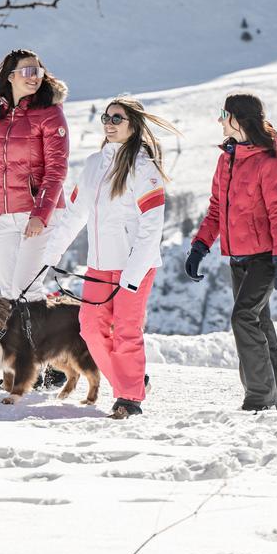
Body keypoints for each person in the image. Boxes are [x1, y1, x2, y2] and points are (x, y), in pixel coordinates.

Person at [43, 97, 174, 419]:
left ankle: (129, 398)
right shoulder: (93, 165)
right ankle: (132, 381)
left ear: (134, 126)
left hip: (135, 265)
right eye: (107, 117)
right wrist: (50, 253)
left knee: (126, 331)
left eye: (117, 118)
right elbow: (74, 214)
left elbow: (151, 226)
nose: (109, 123)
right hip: (100, 265)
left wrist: (133, 272)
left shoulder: (145, 168)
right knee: (89, 329)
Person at [184, 93, 277, 413]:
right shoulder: (227, 159)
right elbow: (217, 209)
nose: (219, 120)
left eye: (224, 113)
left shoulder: (269, 161)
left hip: (264, 258)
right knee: (260, 326)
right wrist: (200, 246)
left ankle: (259, 398)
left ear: (238, 118)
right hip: (238, 259)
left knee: (243, 318)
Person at [0, 49, 68, 298]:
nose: (35, 77)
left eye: (39, 72)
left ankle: (43, 337)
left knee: (27, 289)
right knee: (10, 294)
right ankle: (23, 339)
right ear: (10, 76)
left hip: (37, 213)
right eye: (28, 71)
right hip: (3, 219)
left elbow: (57, 169)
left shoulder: (50, 113)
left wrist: (40, 215)